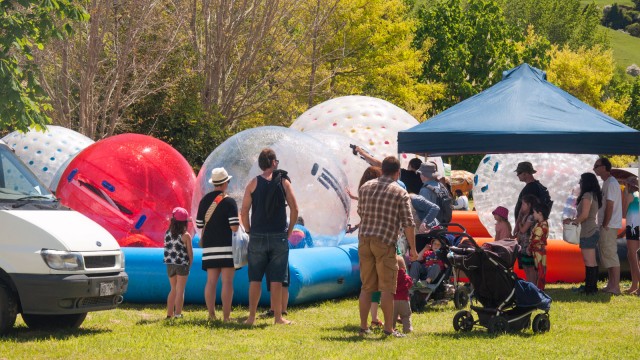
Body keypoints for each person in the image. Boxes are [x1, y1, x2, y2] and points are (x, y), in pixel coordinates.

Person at [357, 156, 418, 338]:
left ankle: (363, 327)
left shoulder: (365, 187)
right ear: (397, 172)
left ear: (382, 169)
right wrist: (413, 250)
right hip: (384, 242)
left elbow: (360, 211)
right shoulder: (400, 192)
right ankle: (388, 329)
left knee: (367, 286)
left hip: (364, 240)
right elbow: (409, 223)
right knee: (387, 288)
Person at [241, 148, 298, 325]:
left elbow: (244, 211)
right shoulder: (284, 183)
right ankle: (278, 317)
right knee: (277, 278)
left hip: (257, 235)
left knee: (255, 279)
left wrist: (249, 230)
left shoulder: (253, 183)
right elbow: (295, 209)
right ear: (273, 163)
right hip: (278, 235)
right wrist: (289, 231)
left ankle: (251, 317)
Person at [197, 167, 239, 322]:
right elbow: (234, 227)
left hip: (210, 247)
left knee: (211, 282)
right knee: (227, 282)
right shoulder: (229, 201)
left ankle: (211, 315)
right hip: (227, 247)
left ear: (214, 183)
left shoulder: (204, 200)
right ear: (225, 183)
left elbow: (200, 224)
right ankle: (226, 317)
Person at [564, 173, 602, 295]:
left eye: (581, 181)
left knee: (589, 261)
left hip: (588, 231)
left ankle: (590, 289)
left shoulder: (586, 195)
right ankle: (591, 287)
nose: (580, 183)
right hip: (591, 230)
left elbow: (584, 215)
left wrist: (573, 222)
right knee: (591, 261)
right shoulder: (594, 195)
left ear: (586, 182)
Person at [593, 157, 622, 295]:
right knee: (607, 255)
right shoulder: (607, 182)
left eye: (596, 166)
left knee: (611, 254)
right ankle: (611, 284)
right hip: (607, 224)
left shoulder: (610, 183)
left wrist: (604, 224)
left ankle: (615, 287)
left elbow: (610, 206)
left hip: (608, 225)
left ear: (604, 167)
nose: (594, 169)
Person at [163, 207, 193, 319]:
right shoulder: (186, 235)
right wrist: (189, 264)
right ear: (185, 222)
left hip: (170, 264)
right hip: (182, 264)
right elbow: (190, 253)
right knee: (180, 290)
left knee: (173, 289)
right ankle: (178, 314)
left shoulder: (167, 233)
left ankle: (169, 314)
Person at [513, 161, 551, 235]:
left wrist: (517, 226)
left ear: (526, 173)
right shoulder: (538, 185)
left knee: (526, 245)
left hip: (527, 228)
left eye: (519, 173)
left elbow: (523, 209)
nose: (517, 175)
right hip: (533, 225)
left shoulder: (530, 188)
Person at [514, 195, 537, 283]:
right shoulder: (525, 215)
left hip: (528, 245)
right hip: (523, 244)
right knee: (525, 267)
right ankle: (529, 283)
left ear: (529, 205)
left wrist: (519, 223)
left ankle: (533, 284)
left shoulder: (531, 216)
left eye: (523, 204)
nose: (521, 206)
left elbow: (523, 230)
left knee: (530, 267)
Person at [622, 176, 639, 295]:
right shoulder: (638, 195)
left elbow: (623, 213)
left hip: (632, 227)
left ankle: (637, 287)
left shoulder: (629, 195)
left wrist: (624, 195)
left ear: (628, 185)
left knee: (633, 256)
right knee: (631, 255)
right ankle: (634, 285)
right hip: (636, 226)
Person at [528, 203, 549, 290]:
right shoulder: (542, 223)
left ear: (540, 213)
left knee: (539, 270)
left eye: (534, 212)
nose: (533, 214)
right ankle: (539, 288)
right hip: (538, 250)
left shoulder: (541, 225)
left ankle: (539, 289)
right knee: (539, 269)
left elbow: (536, 239)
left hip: (538, 251)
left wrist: (530, 247)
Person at [393, 255, 413, 334]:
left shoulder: (391, 277)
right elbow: (410, 285)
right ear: (404, 267)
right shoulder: (406, 277)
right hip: (404, 300)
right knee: (405, 316)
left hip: (393, 300)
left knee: (392, 317)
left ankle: (391, 328)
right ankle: (407, 329)